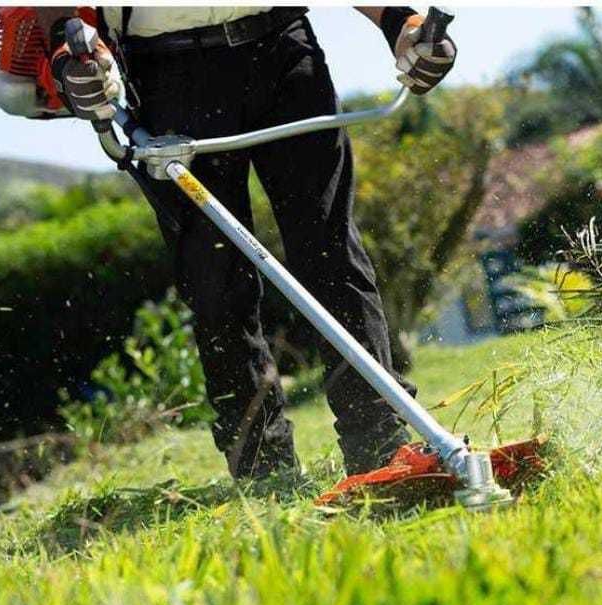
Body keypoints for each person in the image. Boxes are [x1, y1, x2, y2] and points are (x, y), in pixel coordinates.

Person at [39, 6, 457, 480]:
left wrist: (400, 23)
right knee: (216, 280)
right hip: (166, 76)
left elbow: (401, 22)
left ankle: (380, 446)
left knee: (331, 253)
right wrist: (65, 48)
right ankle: (263, 469)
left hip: (284, 54)